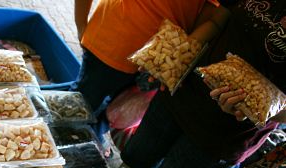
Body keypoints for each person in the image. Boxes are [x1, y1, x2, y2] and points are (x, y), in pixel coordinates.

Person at [121, 0, 286, 168]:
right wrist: (175, 55)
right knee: (136, 157)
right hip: (183, 91)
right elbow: (218, 20)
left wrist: (253, 106)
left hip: (223, 138)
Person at [72, 0, 230, 147]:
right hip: (117, 42)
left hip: (156, 59)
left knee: (105, 111)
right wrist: (81, 24)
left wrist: (174, 61)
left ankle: (81, 145)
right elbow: (208, 20)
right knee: (79, 107)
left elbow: (206, 18)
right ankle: (63, 144)